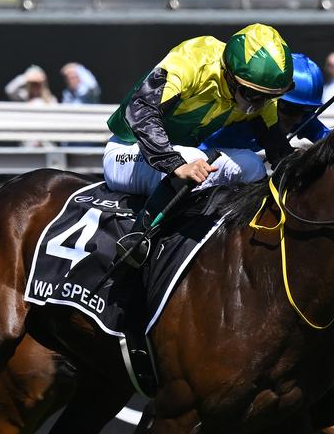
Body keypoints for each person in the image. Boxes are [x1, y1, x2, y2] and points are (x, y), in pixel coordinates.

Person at [104, 23, 295, 263]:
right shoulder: (193, 59)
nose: (260, 104)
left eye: (269, 97)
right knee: (194, 159)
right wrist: (175, 164)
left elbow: (278, 149)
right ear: (230, 75)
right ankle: (137, 239)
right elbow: (141, 109)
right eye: (253, 95)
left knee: (251, 165)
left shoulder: (259, 95)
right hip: (128, 152)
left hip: (182, 155)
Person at [202, 52, 329, 154]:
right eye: (292, 110)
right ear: (270, 97)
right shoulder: (238, 114)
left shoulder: (294, 115)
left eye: (308, 110)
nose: (298, 119)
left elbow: (329, 139)